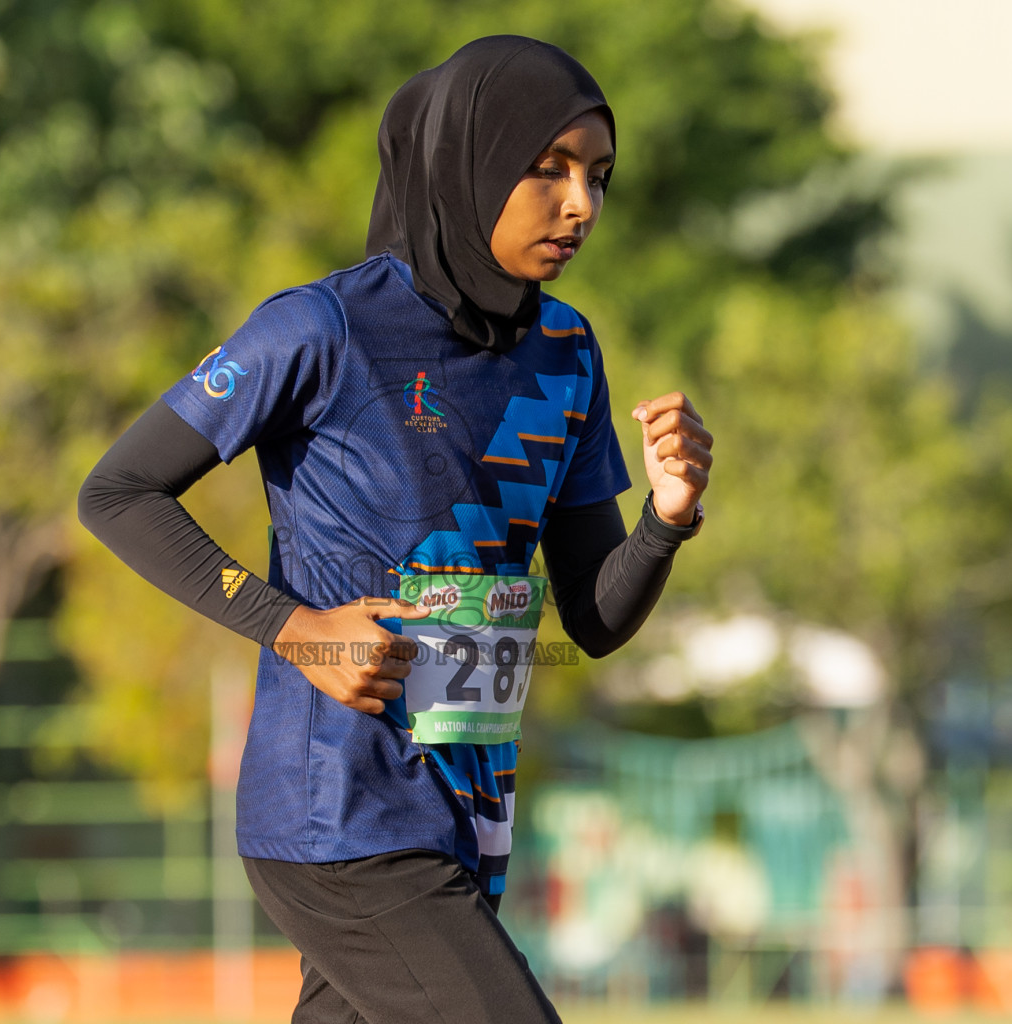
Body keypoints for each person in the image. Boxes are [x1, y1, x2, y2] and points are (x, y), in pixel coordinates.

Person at [79, 34, 712, 1024]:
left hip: (468, 808)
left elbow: (592, 616)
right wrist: (296, 626)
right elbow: (117, 491)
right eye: (547, 168)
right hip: (341, 813)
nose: (581, 203)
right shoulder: (318, 328)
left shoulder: (567, 351)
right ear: (467, 162)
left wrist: (667, 521)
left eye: (597, 174)